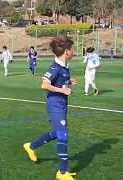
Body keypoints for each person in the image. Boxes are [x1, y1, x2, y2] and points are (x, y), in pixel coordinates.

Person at [23, 35, 77, 180]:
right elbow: (44, 85)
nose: (73, 52)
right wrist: (63, 90)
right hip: (55, 105)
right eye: (72, 50)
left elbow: (59, 81)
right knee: (63, 135)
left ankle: (31, 146)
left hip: (62, 104)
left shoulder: (65, 67)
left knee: (57, 133)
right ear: (66, 51)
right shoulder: (55, 67)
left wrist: (68, 81)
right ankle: (62, 173)